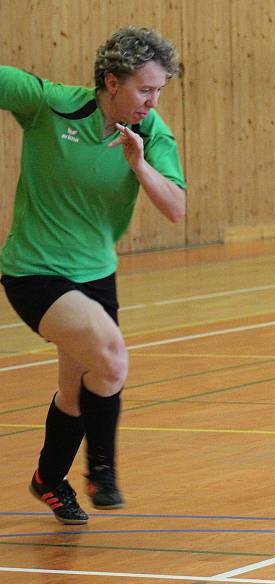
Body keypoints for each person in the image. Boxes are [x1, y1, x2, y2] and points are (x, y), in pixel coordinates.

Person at [0, 27, 186, 524]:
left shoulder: (149, 132)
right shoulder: (52, 105)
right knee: (111, 356)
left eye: (159, 91)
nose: (153, 101)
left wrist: (140, 166)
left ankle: (47, 479)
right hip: (34, 270)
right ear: (110, 82)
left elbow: (176, 207)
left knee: (78, 388)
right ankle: (102, 471)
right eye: (145, 90)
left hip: (97, 275)